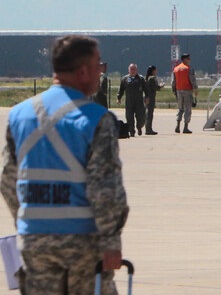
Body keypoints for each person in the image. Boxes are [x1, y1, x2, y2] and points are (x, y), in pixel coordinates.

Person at [0, 35, 129, 294]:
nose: (100, 72)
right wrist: (111, 241)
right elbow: (104, 189)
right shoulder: (97, 119)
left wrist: (27, 223)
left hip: (35, 242)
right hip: (83, 243)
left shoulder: (19, 115)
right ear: (83, 71)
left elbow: (7, 179)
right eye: (97, 66)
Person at [117, 63, 148, 137]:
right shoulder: (125, 79)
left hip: (139, 101)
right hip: (129, 101)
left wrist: (147, 97)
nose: (133, 70)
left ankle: (139, 127)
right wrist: (119, 98)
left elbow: (146, 89)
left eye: (134, 69)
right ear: (129, 70)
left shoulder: (141, 79)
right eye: (131, 69)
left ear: (136, 70)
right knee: (129, 117)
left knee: (141, 117)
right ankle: (132, 132)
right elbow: (121, 90)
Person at [173, 53, 196, 134]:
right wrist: (195, 89)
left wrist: (174, 91)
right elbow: (192, 80)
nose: (189, 60)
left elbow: (174, 81)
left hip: (179, 90)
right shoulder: (188, 68)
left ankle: (178, 125)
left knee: (180, 108)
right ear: (185, 59)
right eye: (188, 58)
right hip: (187, 90)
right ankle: (185, 127)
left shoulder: (176, 69)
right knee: (188, 109)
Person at [144, 65, 162, 135]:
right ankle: (149, 129)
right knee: (150, 113)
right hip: (151, 97)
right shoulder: (152, 78)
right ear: (153, 71)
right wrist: (160, 86)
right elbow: (155, 87)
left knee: (147, 112)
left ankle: (147, 128)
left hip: (146, 96)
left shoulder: (146, 78)